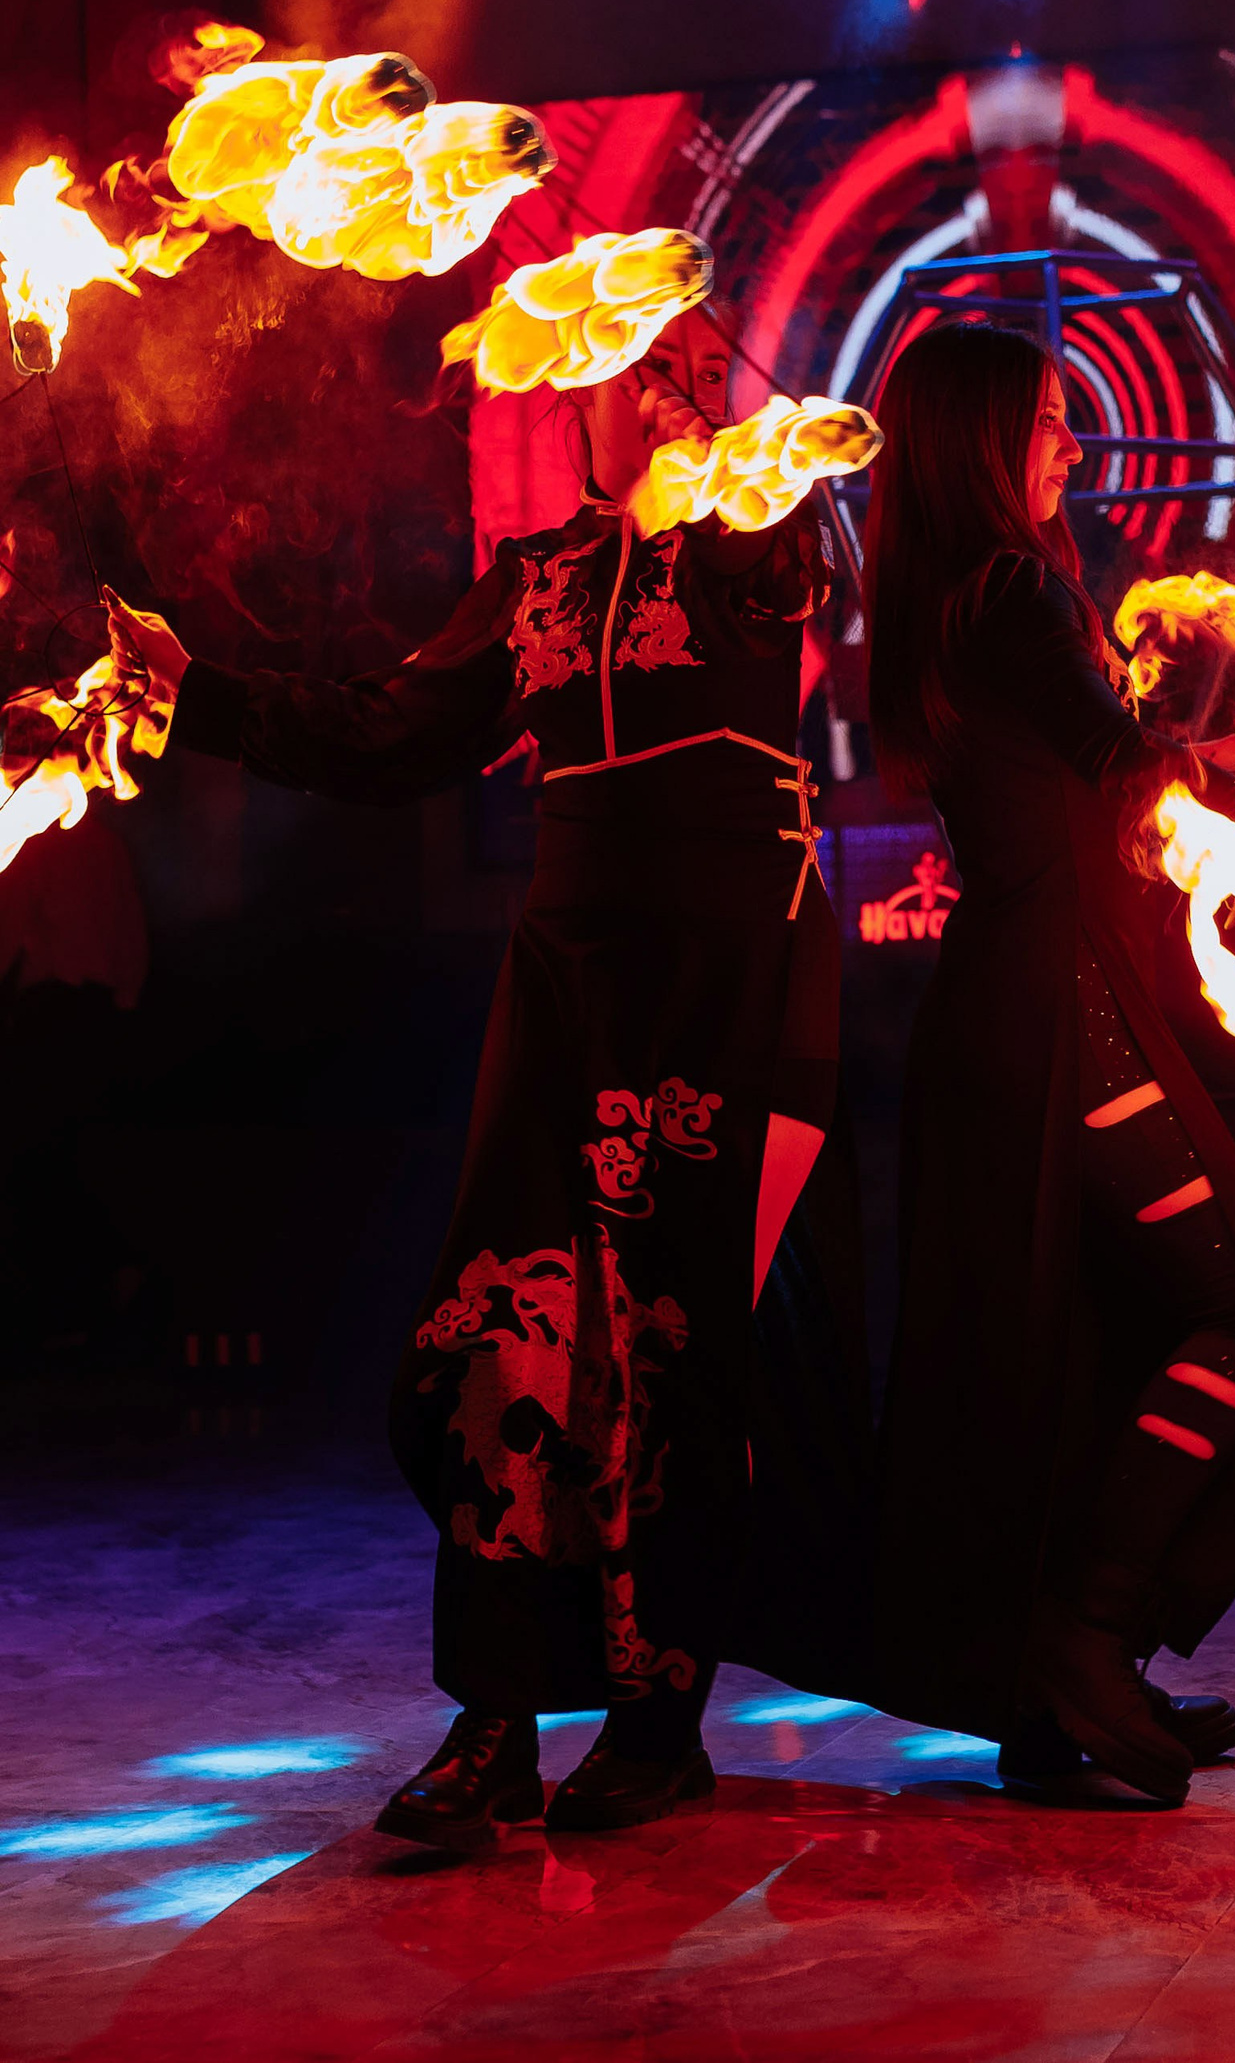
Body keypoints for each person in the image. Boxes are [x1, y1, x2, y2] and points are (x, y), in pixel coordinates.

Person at [105, 304, 868, 1846]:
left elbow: (819, 564)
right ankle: (496, 1719)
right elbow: (387, 735)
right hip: (568, 986)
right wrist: (198, 689)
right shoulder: (530, 580)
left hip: (730, 981)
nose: (676, 391)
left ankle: (658, 1720)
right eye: (643, 367)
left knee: (669, 1350)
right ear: (574, 395)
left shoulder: (758, 536)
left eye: (699, 370)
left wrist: (760, 462)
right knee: (502, 1338)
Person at [862, 319, 1235, 1806]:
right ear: (985, 441)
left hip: (1031, 999)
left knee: (1088, 1340)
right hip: (1058, 1010)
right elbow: (1126, 775)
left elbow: (1108, 768)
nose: (1073, 442)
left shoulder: (961, 595)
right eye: (1048, 419)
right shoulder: (1013, 589)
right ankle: (1086, 1637)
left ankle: (1058, 1698)